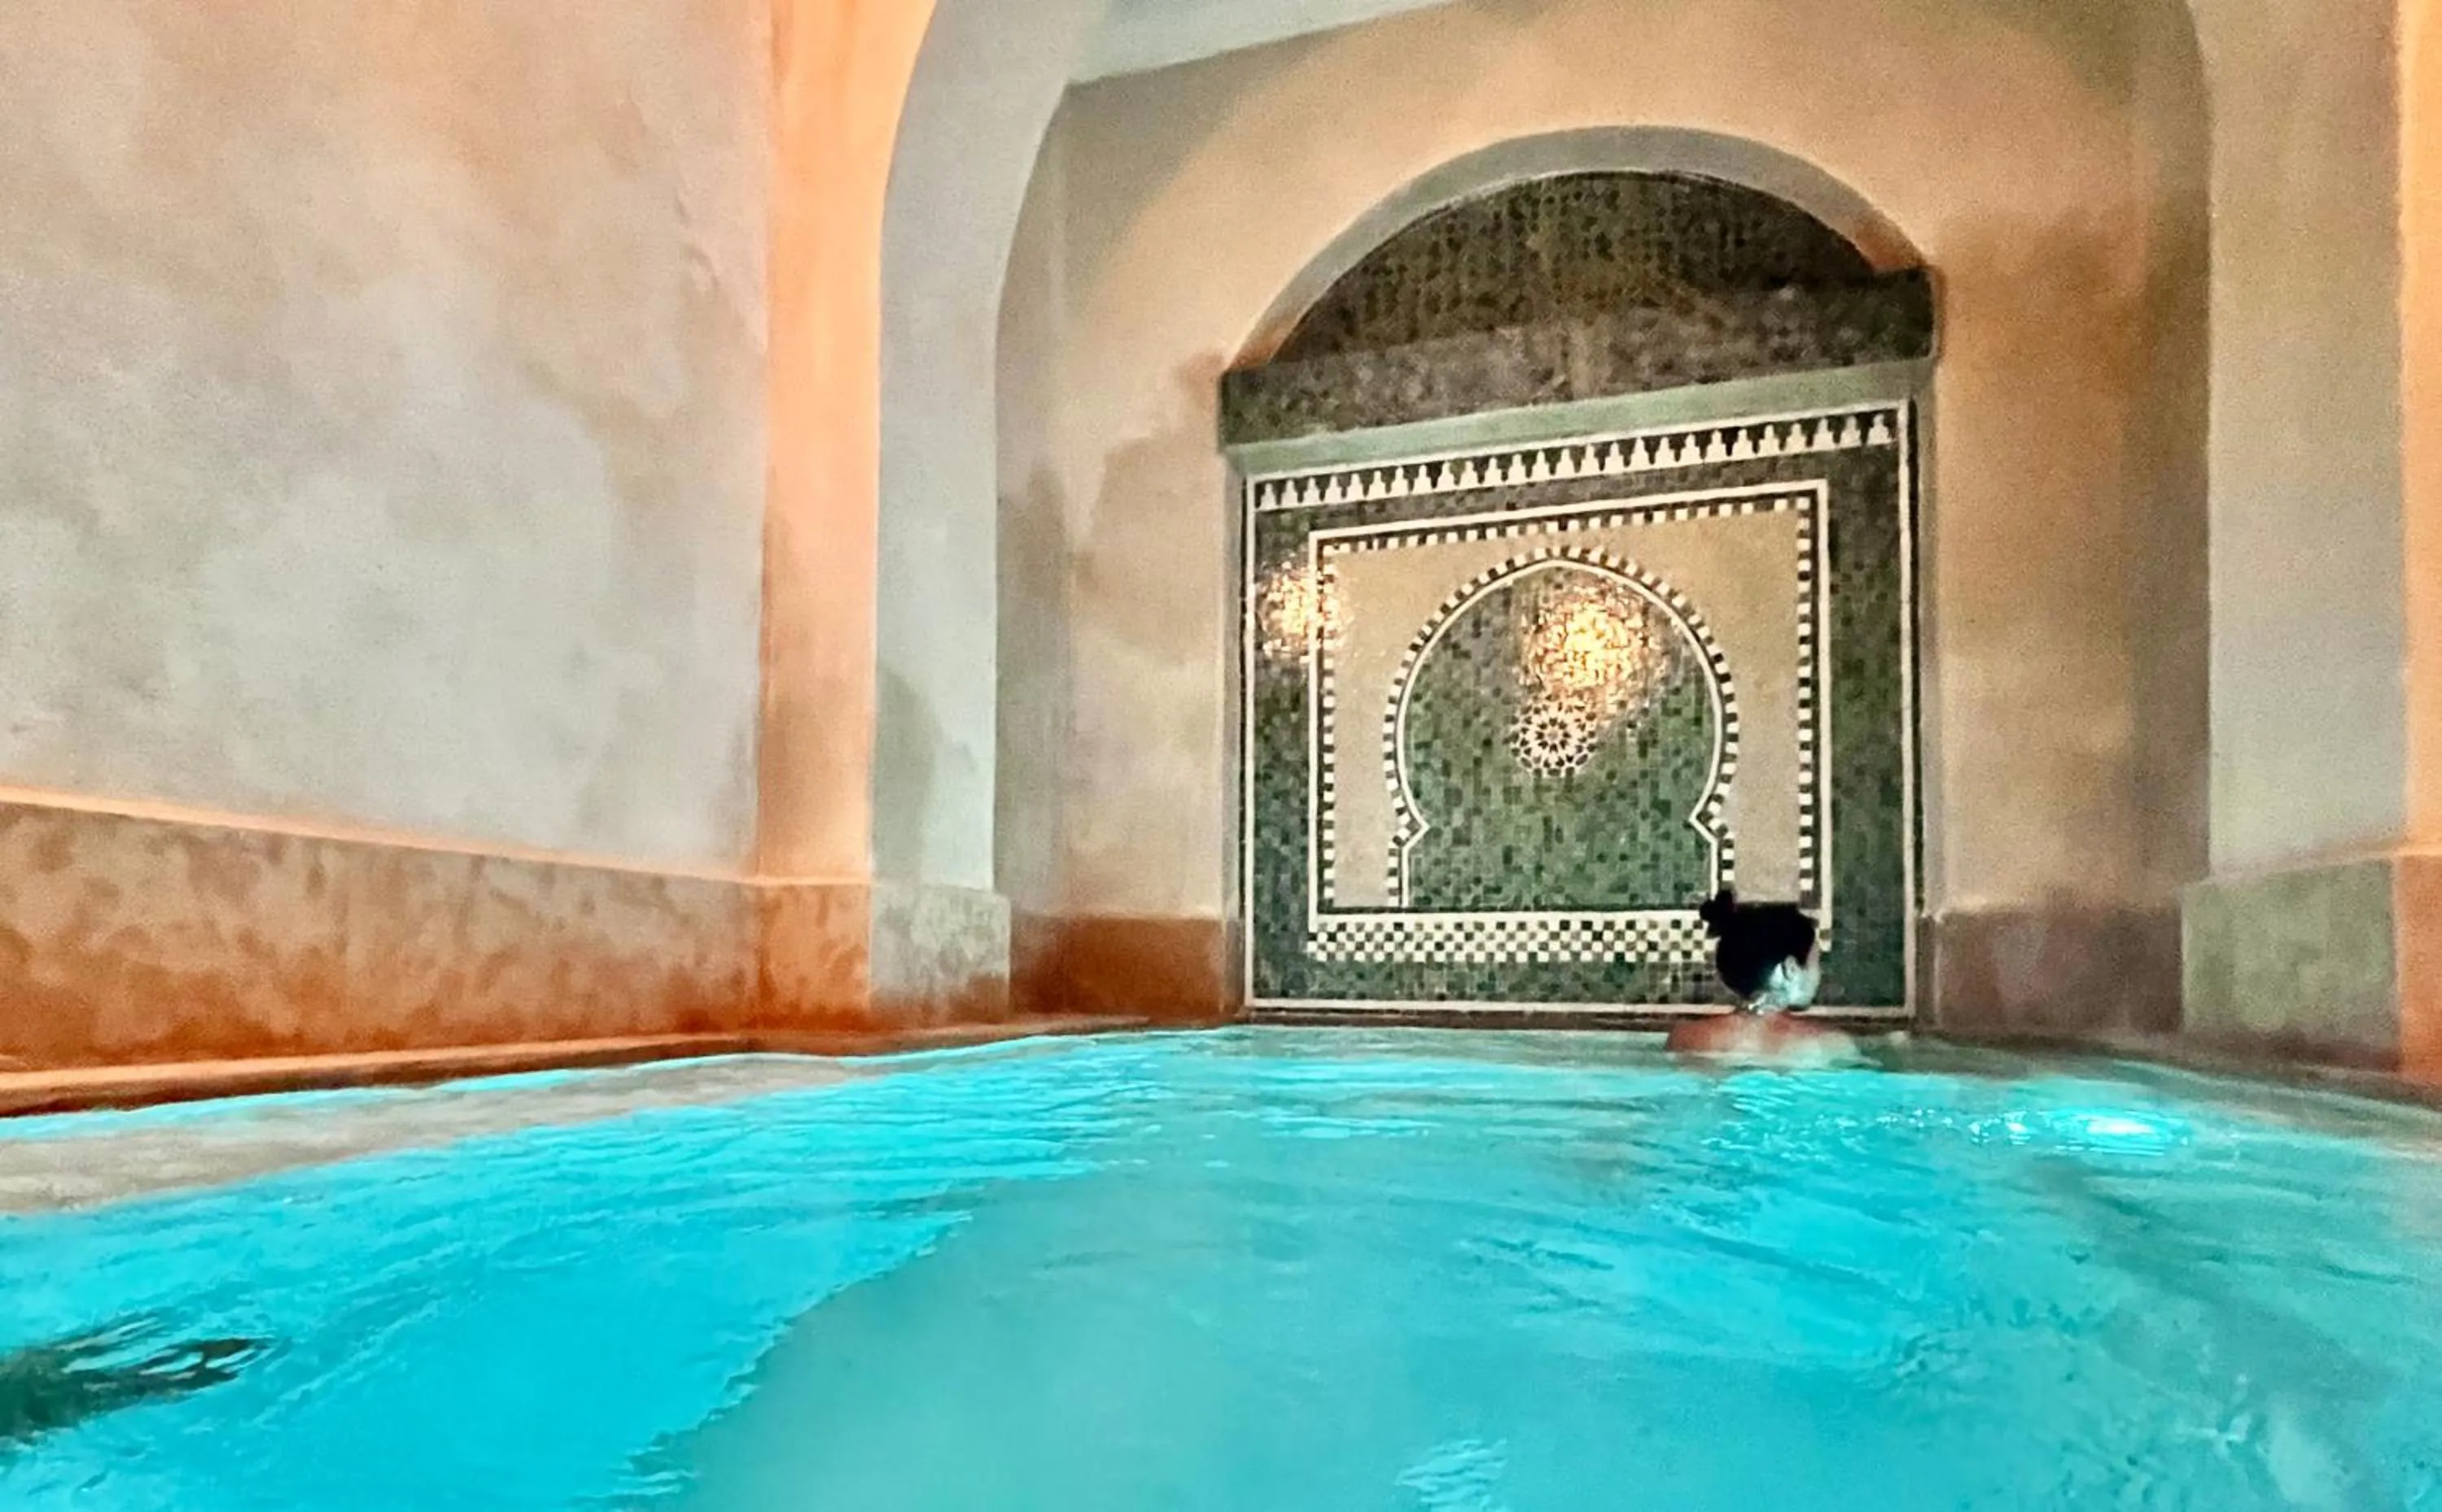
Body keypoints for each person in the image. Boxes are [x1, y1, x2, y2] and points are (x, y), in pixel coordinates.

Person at [1665, 889, 1858, 1065]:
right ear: (1790, 969)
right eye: (1816, 962)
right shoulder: (1829, 1047)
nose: (1819, 974)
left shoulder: (1684, 1039)